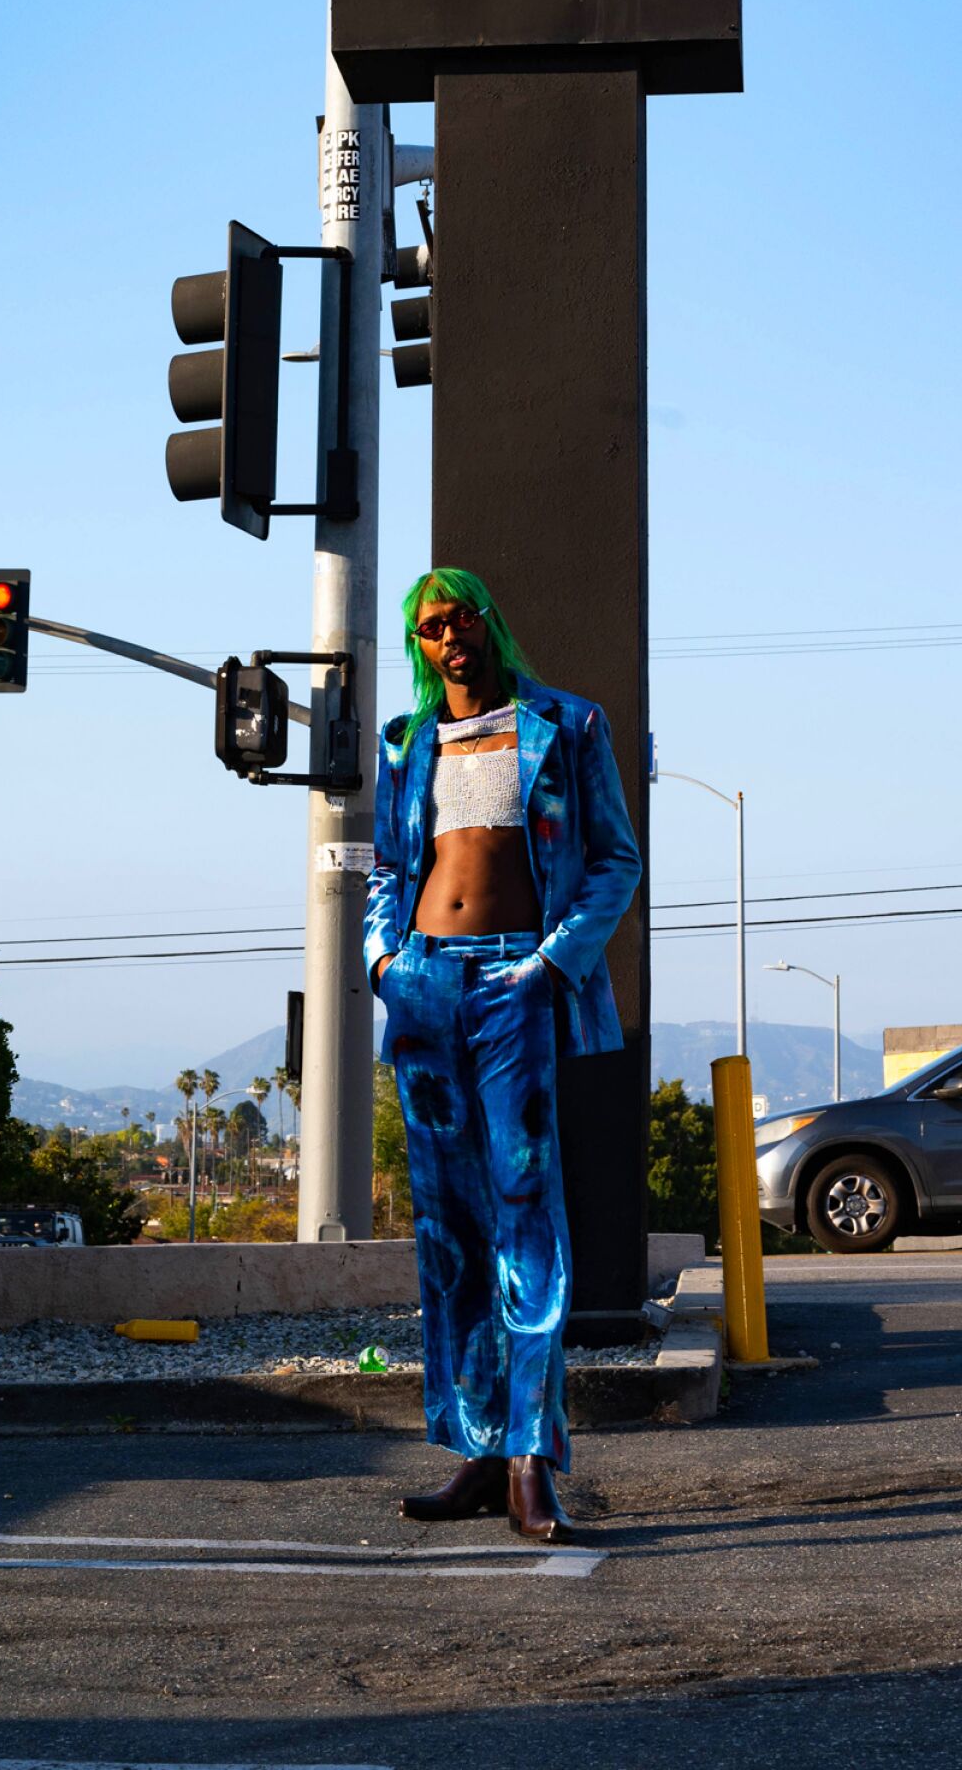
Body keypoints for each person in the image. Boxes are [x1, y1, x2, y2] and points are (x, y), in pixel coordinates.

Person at [364, 566, 641, 1542]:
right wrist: (383, 963)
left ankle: (530, 1458)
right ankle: (478, 1451)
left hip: (513, 986)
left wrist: (551, 965)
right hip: (425, 987)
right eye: (431, 626)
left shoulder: (564, 725)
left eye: (462, 617)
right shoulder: (404, 742)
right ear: (418, 642)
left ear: (490, 621)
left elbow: (614, 857)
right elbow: (391, 868)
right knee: (449, 1232)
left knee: (528, 1224)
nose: (450, 638)